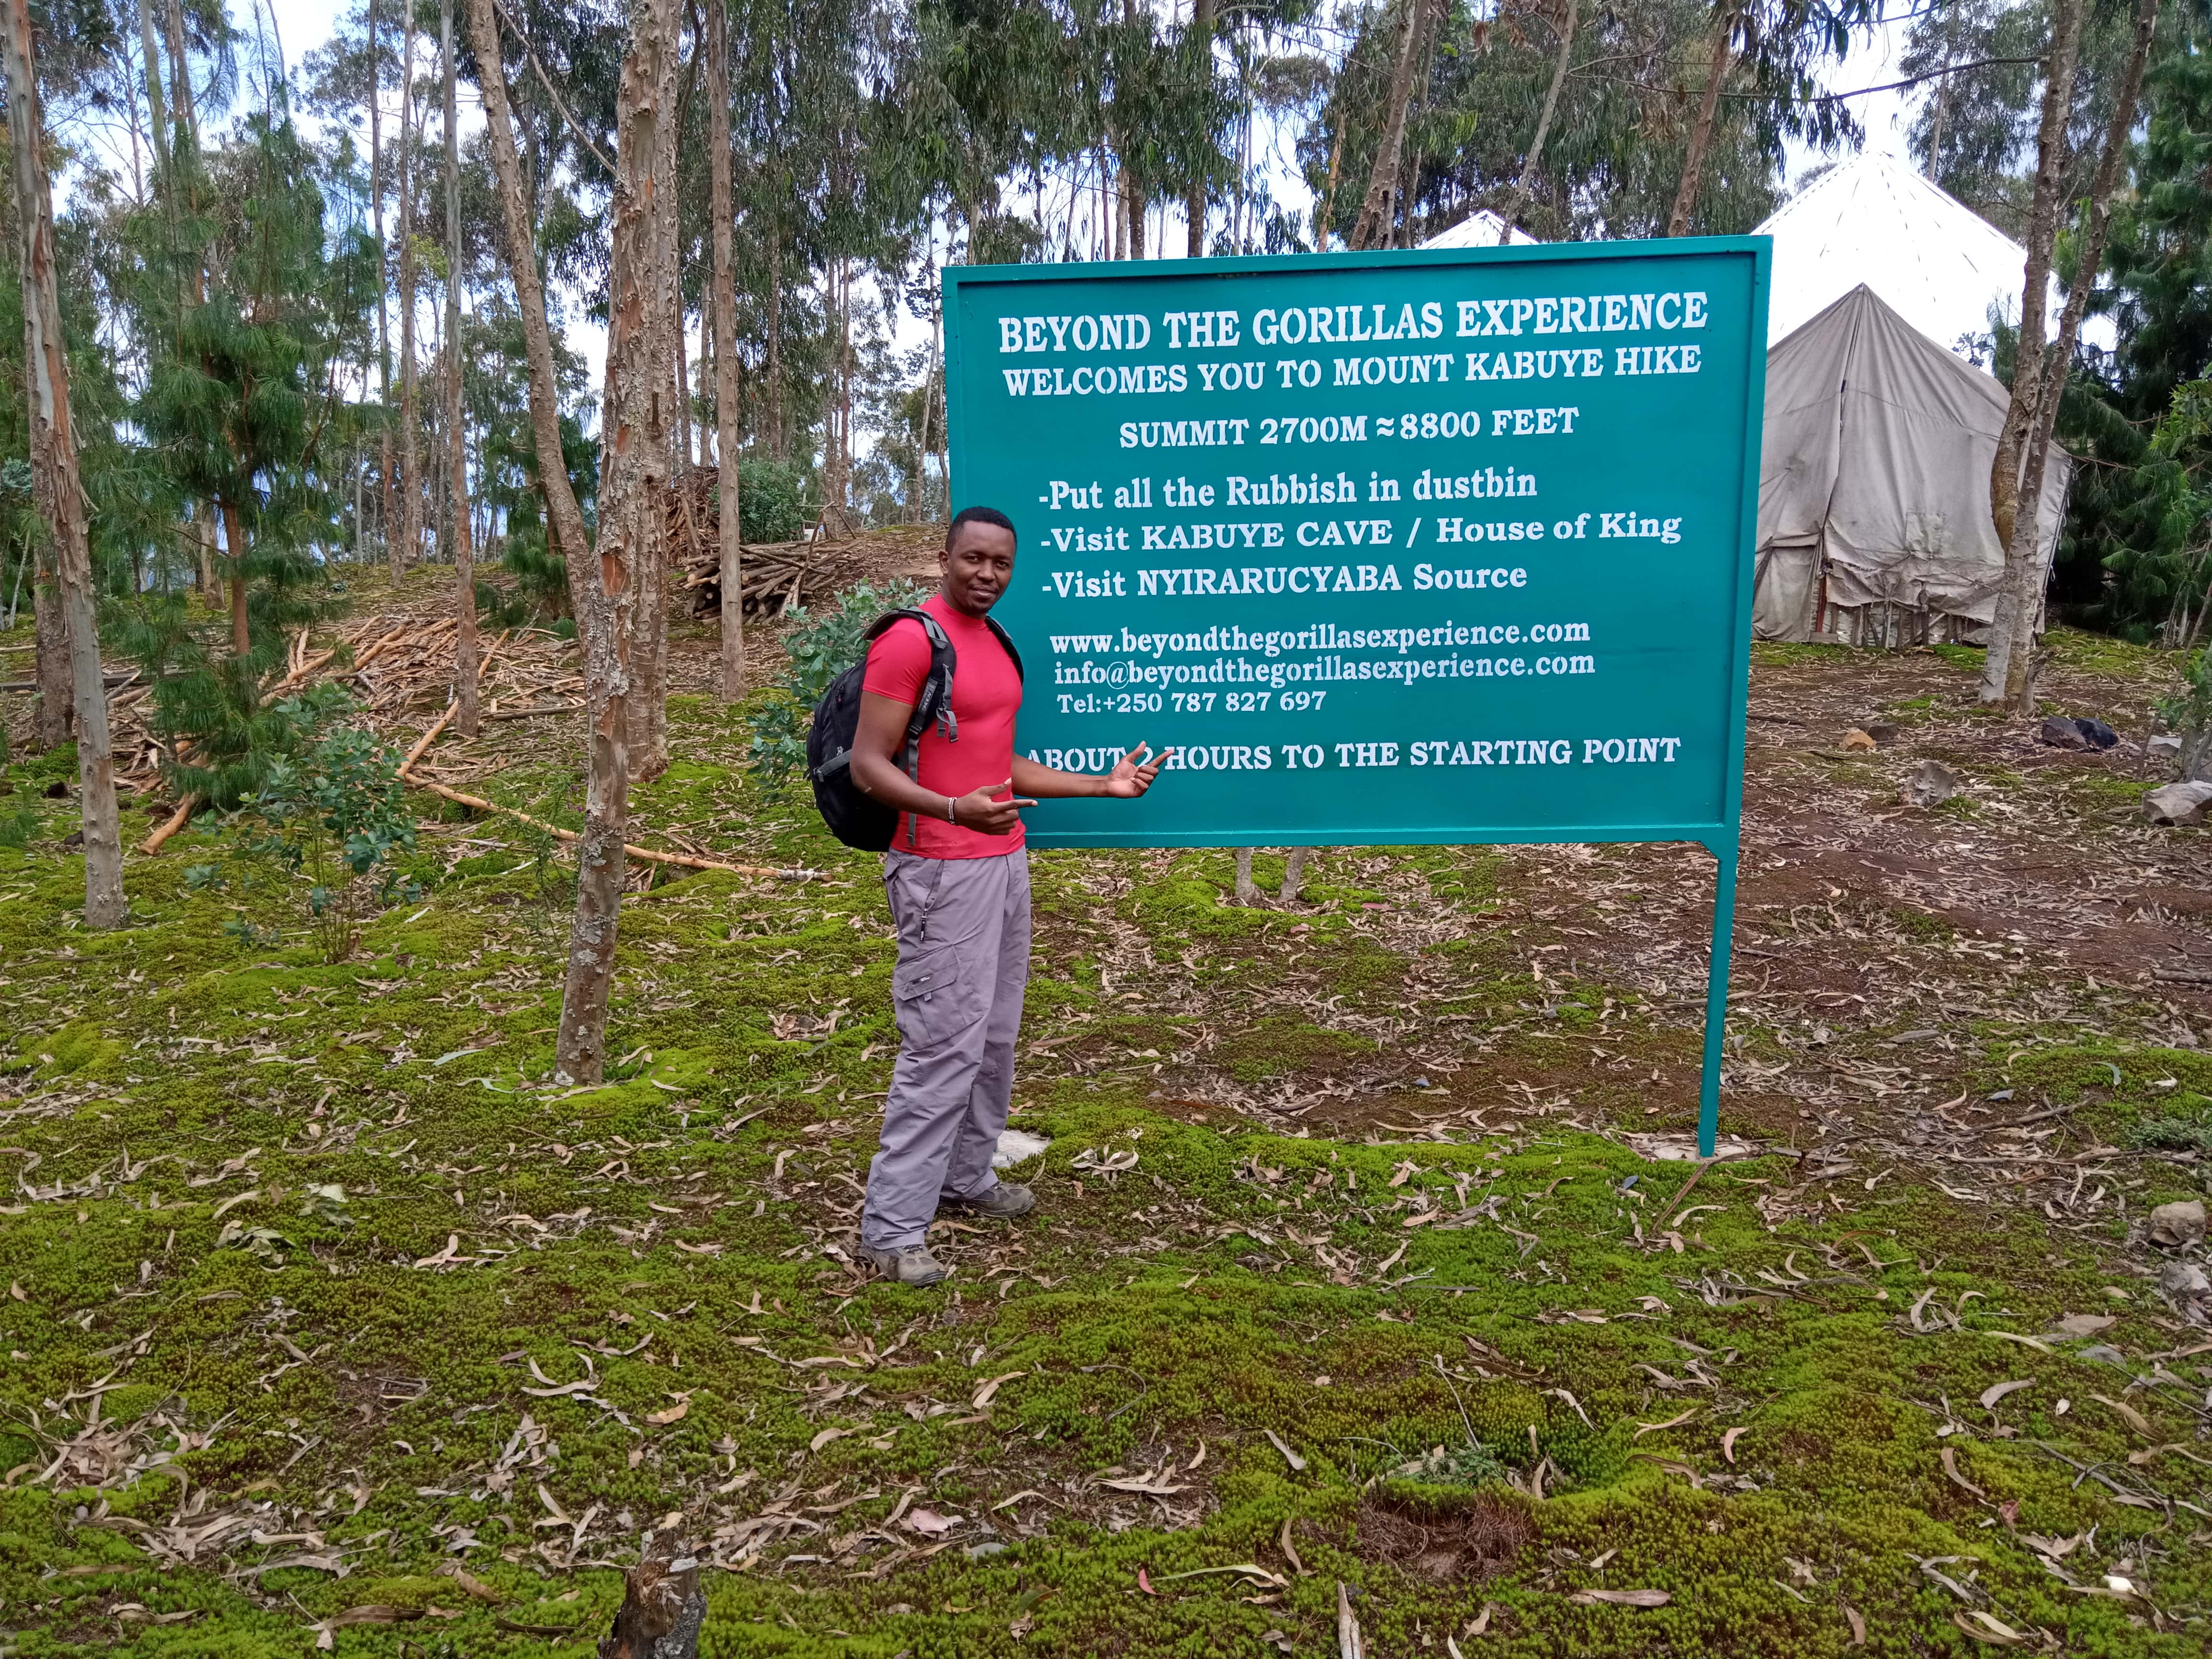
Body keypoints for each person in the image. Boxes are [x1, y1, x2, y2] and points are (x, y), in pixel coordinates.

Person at [849, 505, 1169, 1285]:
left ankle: (965, 1177)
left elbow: (1000, 761)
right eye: (973, 560)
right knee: (941, 1045)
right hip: (939, 869)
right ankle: (891, 1232)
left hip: (1004, 861)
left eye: (1001, 564)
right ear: (944, 558)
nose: (986, 574)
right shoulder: (907, 641)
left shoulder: (994, 643)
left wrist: (1102, 786)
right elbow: (868, 765)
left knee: (993, 1033)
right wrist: (954, 810)